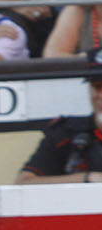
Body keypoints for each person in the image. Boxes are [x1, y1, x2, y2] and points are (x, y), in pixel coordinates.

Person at [14, 46, 102, 182]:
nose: (100, 95)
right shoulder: (68, 133)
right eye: (96, 86)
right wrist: (87, 179)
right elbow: (24, 182)